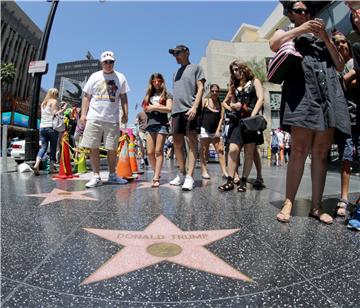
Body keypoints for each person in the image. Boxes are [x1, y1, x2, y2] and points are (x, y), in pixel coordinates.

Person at [271, 1, 351, 224]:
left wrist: (325, 37)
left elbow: (338, 65)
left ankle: (316, 206)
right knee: (298, 150)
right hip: (302, 93)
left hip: (327, 95)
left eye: (307, 10)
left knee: (321, 152)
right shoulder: (287, 31)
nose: (304, 13)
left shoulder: (324, 36)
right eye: (299, 10)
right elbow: (273, 44)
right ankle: (289, 202)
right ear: (291, 14)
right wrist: (301, 30)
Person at [79, 50, 130, 188]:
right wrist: (83, 114)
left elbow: (124, 96)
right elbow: (86, 96)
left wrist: (125, 113)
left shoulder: (120, 77)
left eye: (111, 62)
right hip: (94, 116)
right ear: (101, 63)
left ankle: (112, 175)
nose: (108, 64)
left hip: (112, 118)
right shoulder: (94, 76)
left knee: (112, 148)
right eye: (106, 62)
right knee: (93, 147)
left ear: (114, 62)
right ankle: (96, 176)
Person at [218, 61, 265, 192]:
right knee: (233, 149)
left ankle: (244, 180)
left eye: (237, 69)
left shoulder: (255, 81)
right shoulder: (234, 86)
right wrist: (232, 106)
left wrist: (252, 116)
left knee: (250, 151)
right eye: (233, 70)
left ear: (243, 68)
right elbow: (225, 103)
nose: (235, 72)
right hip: (237, 121)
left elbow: (261, 99)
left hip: (250, 121)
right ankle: (230, 180)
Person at [168, 45, 205, 191]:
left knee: (191, 143)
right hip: (176, 111)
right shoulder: (175, 73)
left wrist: (195, 107)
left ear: (187, 52)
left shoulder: (196, 68)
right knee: (177, 144)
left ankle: (190, 177)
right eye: (174, 54)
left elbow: (201, 88)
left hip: (190, 109)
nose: (176, 56)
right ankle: (182, 173)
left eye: (178, 53)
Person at [331, 30, 360, 217]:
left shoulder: (354, 61)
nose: (341, 45)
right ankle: (344, 198)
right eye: (337, 43)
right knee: (346, 159)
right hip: (346, 119)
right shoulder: (334, 67)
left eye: (343, 42)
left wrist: (346, 80)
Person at [142, 73, 173, 187]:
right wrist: (148, 108)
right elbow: (145, 108)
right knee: (149, 152)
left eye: (158, 81)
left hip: (162, 124)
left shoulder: (167, 94)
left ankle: (156, 177)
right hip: (150, 124)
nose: (156, 83)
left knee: (158, 151)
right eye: (154, 81)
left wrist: (154, 107)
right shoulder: (148, 94)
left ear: (162, 81)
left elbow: (169, 108)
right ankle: (157, 172)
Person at [33, 88, 67, 175]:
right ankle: (52, 168)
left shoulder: (43, 103)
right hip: (51, 127)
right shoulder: (54, 101)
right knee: (53, 147)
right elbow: (55, 114)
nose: (57, 95)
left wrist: (59, 106)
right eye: (57, 94)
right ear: (54, 94)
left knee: (43, 147)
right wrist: (63, 109)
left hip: (42, 127)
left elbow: (49, 112)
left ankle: (36, 164)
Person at [199, 83, 228, 179]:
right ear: (210, 92)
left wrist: (218, 130)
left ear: (219, 93)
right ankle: (204, 171)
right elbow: (199, 114)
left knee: (220, 150)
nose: (214, 93)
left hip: (215, 130)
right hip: (204, 128)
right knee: (204, 151)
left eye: (216, 91)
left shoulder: (221, 104)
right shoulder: (205, 101)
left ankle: (224, 172)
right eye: (212, 91)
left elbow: (221, 118)